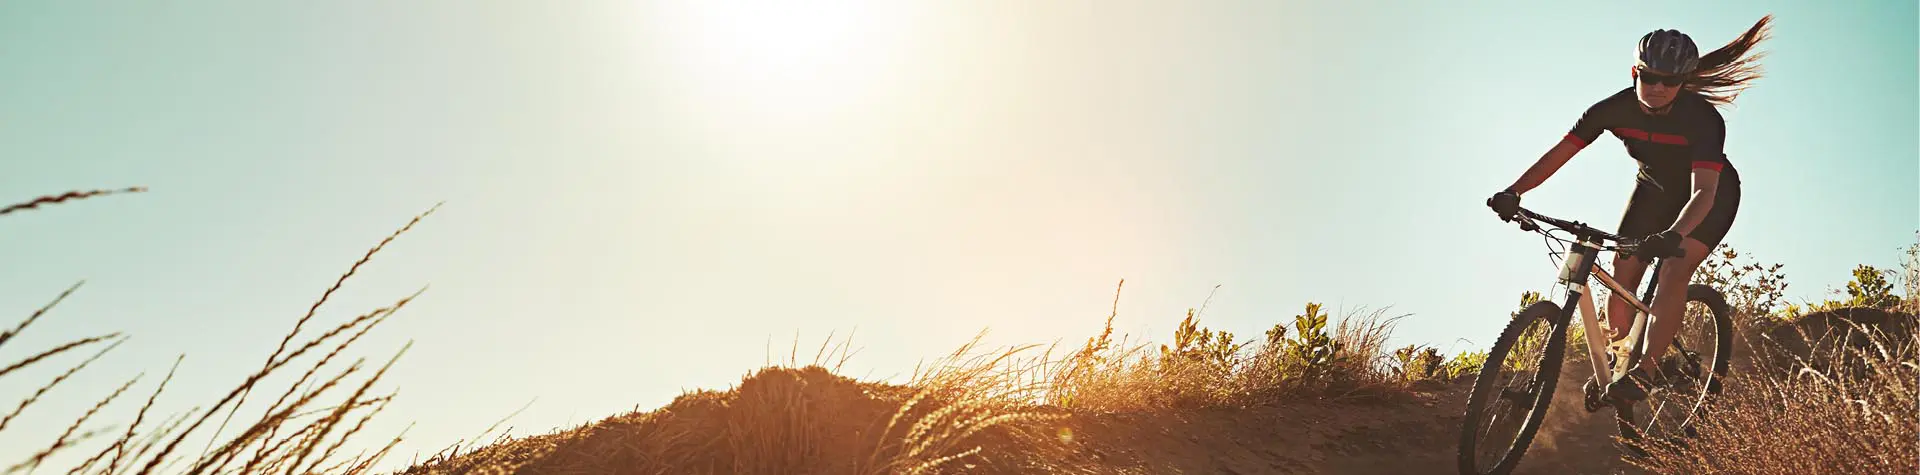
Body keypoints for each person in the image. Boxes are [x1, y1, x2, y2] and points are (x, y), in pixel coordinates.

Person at [1486, 15, 1773, 404]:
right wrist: (1514, 191)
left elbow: (1704, 190)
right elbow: (1560, 153)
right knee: (1622, 274)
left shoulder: (1703, 120)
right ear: (1634, 71)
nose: (1656, 87)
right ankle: (1617, 362)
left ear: (1683, 84)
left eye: (1669, 81)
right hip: (1653, 190)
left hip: (1709, 197)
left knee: (1674, 268)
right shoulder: (1611, 110)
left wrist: (1675, 234)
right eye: (1649, 76)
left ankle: (1647, 372)